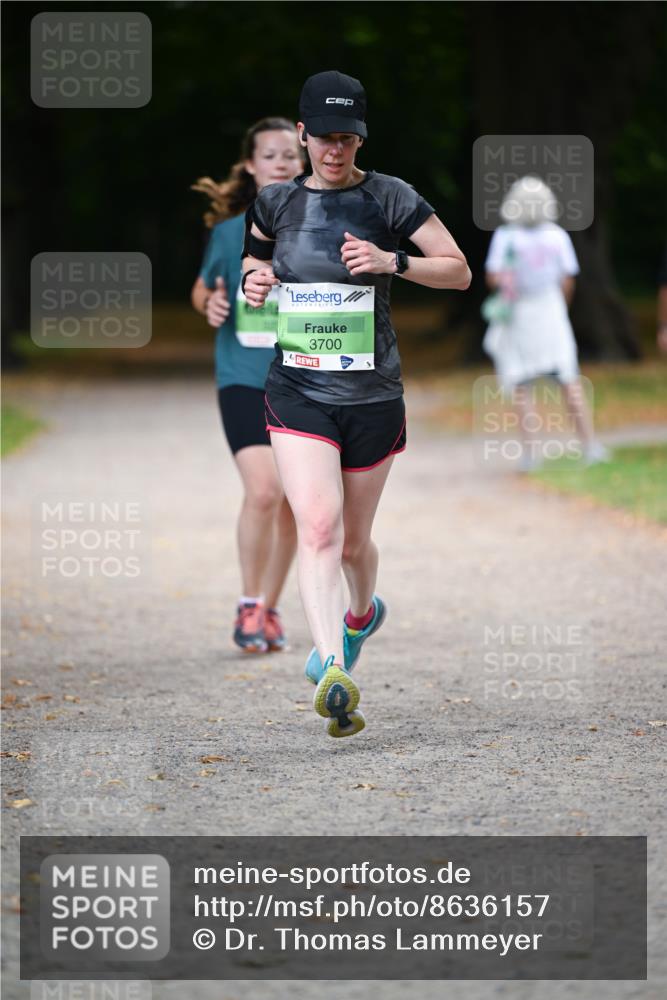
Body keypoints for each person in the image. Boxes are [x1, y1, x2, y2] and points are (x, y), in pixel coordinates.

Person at [242, 71, 470, 737]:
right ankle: (335, 671)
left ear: (359, 138)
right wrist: (255, 283)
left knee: (353, 545)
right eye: (326, 138)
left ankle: (360, 613)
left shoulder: (391, 198)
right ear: (302, 133)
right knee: (318, 528)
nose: (336, 151)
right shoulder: (274, 204)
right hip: (297, 390)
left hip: (372, 396)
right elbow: (255, 271)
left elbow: (456, 269)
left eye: (349, 139)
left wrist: (390, 260)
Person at [191, 118, 303, 653]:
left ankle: (272, 609)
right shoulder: (227, 232)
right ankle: (249, 603)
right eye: (270, 155)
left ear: (304, 163)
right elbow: (203, 288)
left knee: (294, 505)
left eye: (290, 155)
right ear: (252, 166)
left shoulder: (320, 225)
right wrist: (209, 303)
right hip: (242, 376)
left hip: (304, 379)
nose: (281, 163)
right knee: (263, 489)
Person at [483, 175, 609, 470]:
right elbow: (567, 279)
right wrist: (560, 308)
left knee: (521, 383)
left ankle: (531, 453)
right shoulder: (557, 235)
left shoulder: (506, 235)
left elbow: (493, 277)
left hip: (519, 313)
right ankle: (589, 445)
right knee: (568, 377)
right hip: (551, 310)